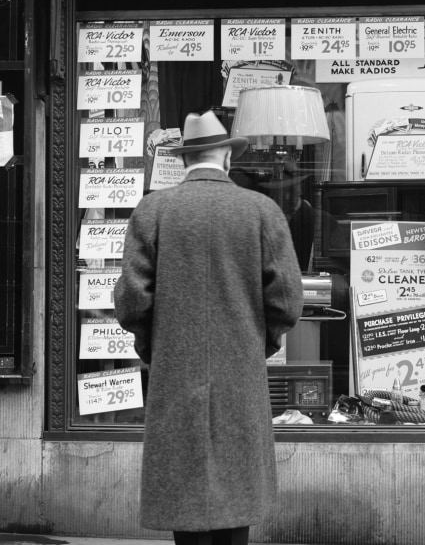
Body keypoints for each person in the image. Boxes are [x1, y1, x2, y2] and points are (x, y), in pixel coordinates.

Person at [114, 109, 304, 545]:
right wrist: (260, 343)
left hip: (174, 370)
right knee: (239, 492)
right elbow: (287, 300)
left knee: (184, 490)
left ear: (184, 160)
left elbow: (131, 301)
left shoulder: (154, 208)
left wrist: (155, 346)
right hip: (241, 369)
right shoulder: (260, 209)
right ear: (227, 158)